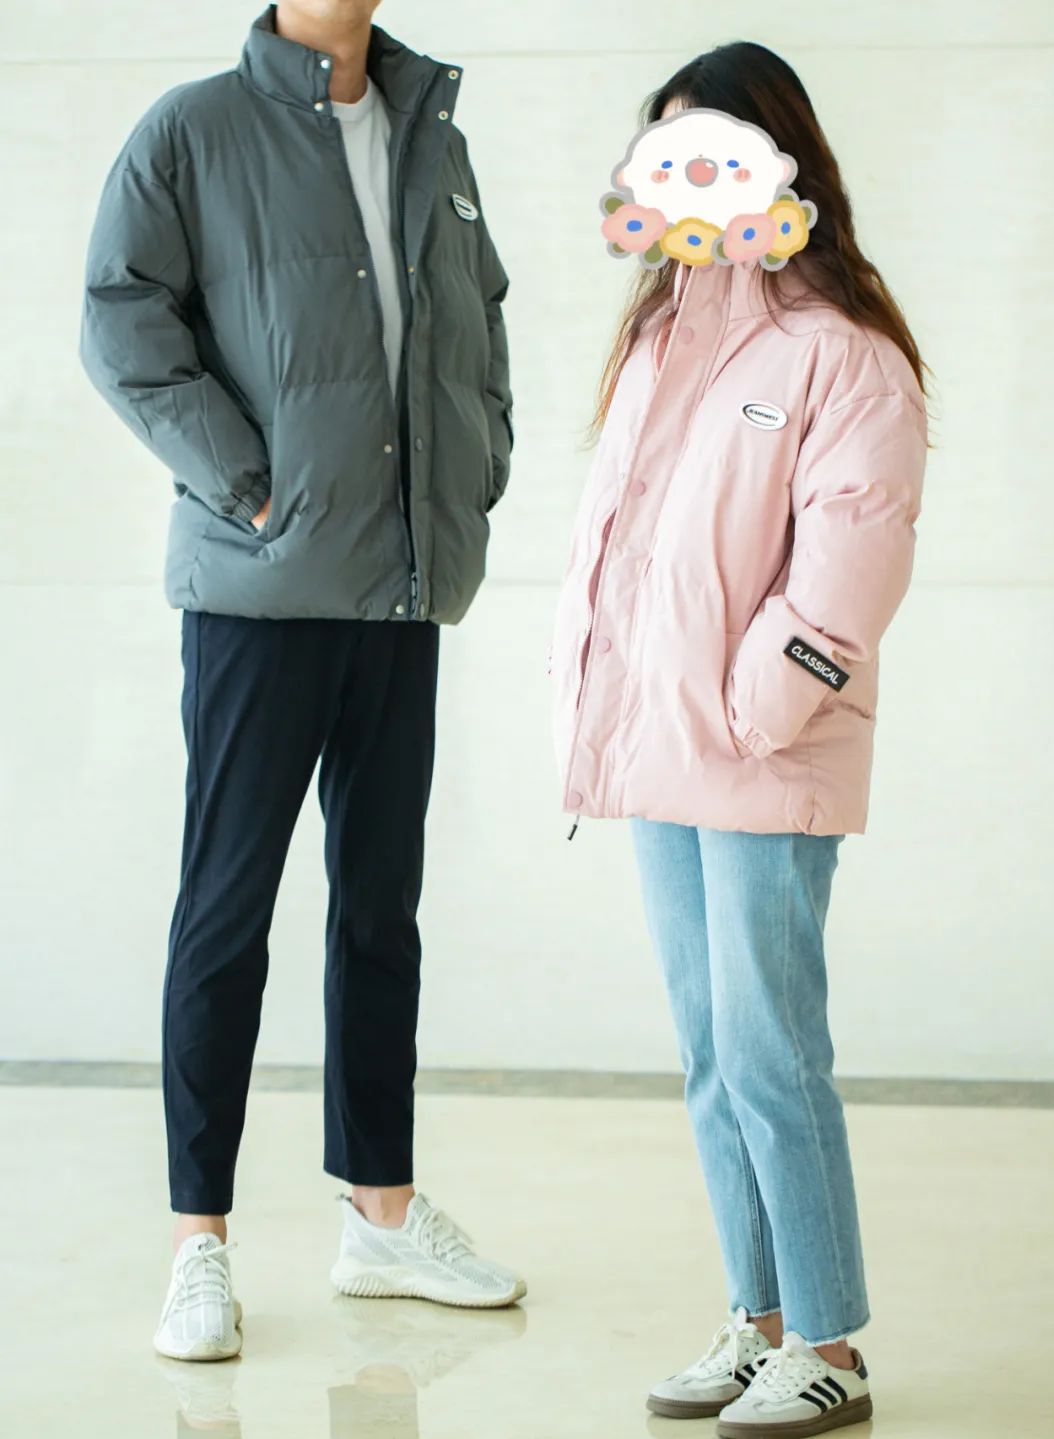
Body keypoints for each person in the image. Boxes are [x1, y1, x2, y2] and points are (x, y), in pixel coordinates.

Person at [80, 0, 523, 1362]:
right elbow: (121, 319)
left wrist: (475, 475)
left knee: (382, 910)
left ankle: (379, 1214)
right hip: (259, 593)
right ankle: (197, 1243)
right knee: (226, 911)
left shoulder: (432, 133)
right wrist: (247, 483)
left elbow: (479, 319)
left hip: (402, 588)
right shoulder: (193, 131)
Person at [551, 42, 928, 1439]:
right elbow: (623, 551)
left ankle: (829, 1343)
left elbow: (848, 568)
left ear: (776, 163)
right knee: (712, 1056)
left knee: (774, 1056)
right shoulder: (659, 340)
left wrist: (753, 713)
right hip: (662, 751)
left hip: (763, 754)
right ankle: (757, 1320)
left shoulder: (844, 353)